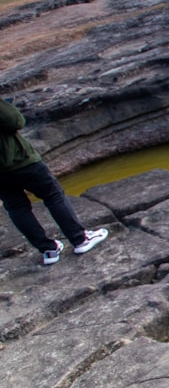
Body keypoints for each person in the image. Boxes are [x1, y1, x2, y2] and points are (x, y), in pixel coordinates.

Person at [0, 97, 108, 265]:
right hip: (21, 161)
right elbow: (15, 120)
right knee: (53, 195)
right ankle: (80, 240)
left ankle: (48, 250)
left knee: (16, 207)